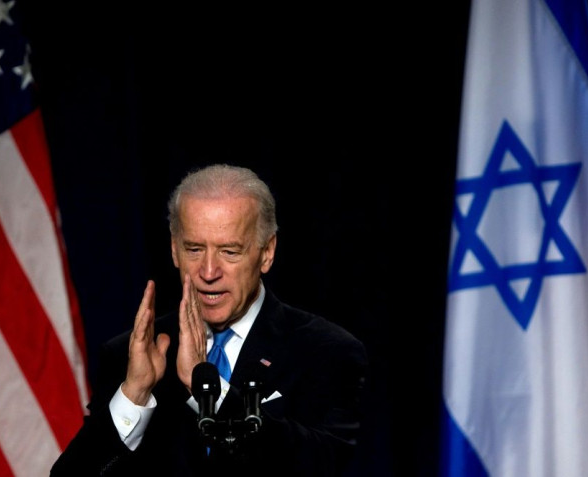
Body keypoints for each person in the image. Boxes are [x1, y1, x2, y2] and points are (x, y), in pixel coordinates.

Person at [51, 164, 369, 476]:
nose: (208, 273)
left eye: (229, 252)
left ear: (267, 252)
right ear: (174, 251)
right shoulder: (132, 354)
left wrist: (207, 389)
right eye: (194, 249)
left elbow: (321, 464)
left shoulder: (326, 351)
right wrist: (135, 394)